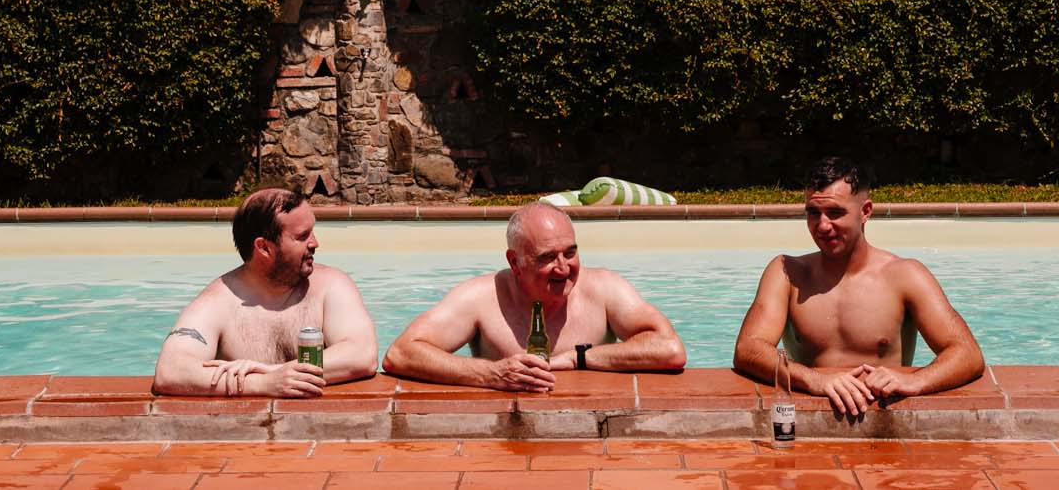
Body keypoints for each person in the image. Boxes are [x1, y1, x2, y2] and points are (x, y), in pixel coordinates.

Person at [732, 157, 985, 418]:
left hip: (884, 425)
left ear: (865, 211)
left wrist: (916, 381)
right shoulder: (788, 273)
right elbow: (748, 349)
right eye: (813, 212)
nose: (822, 225)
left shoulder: (904, 276)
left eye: (835, 213)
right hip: (808, 423)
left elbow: (967, 353)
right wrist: (815, 380)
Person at [383, 202, 686, 391]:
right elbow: (401, 354)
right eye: (547, 257)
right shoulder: (481, 297)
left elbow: (670, 349)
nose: (563, 268)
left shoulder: (604, 288)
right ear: (515, 263)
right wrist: (491, 374)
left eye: (571, 252)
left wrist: (578, 358)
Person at [152, 187, 379, 396]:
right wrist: (261, 384)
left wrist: (273, 372)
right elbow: (170, 371)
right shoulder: (218, 302)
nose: (315, 243)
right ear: (264, 247)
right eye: (302, 236)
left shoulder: (331, 285)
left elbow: (362, 354)